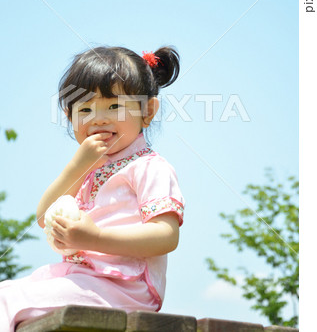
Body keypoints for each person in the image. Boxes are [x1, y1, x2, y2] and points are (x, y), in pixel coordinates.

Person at [0, 45, 185, 331]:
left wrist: (95, 238)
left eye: (114, 106)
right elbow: (42, 217)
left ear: (147, 111)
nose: (99, 118)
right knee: (4, 295)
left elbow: (166, 236)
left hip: (125, 287)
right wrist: (78, 165)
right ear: (69, 117)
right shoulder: (89, 169)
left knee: (12, 301)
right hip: (80, 280)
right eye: (85, 109)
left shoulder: (149, 167)